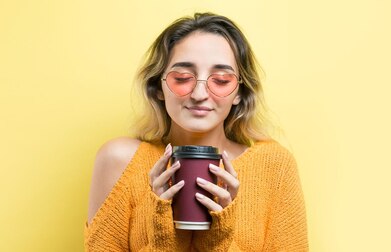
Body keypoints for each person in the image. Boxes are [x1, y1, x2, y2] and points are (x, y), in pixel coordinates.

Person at [84, 12, 308, 251]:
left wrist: (218, 238)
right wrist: (163, 234)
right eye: (182, 78)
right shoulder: (119, 160)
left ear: (239, 93)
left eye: (221, 80)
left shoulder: (274, 165)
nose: (200, 94)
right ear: (157, 87)